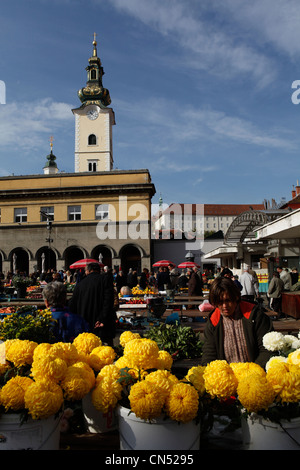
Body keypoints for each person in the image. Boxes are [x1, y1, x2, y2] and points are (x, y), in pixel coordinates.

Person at [201, 277, 274, 369]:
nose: (225, 306)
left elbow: (267, 349)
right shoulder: (213, 322)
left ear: (236, 297)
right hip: (227, 376)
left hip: (255, 374)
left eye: (228, 300)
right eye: (220, 302)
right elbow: (209, 353)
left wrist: (254, 370)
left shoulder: (255, 315)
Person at [68, 262, 115, 346]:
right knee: (105, 351)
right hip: (101, 323)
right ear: (99, 270)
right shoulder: (105, 280)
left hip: (85, 322)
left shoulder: (80, 284)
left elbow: (73, 304)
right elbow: (109, 300)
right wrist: (102, 318)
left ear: (88, 271)